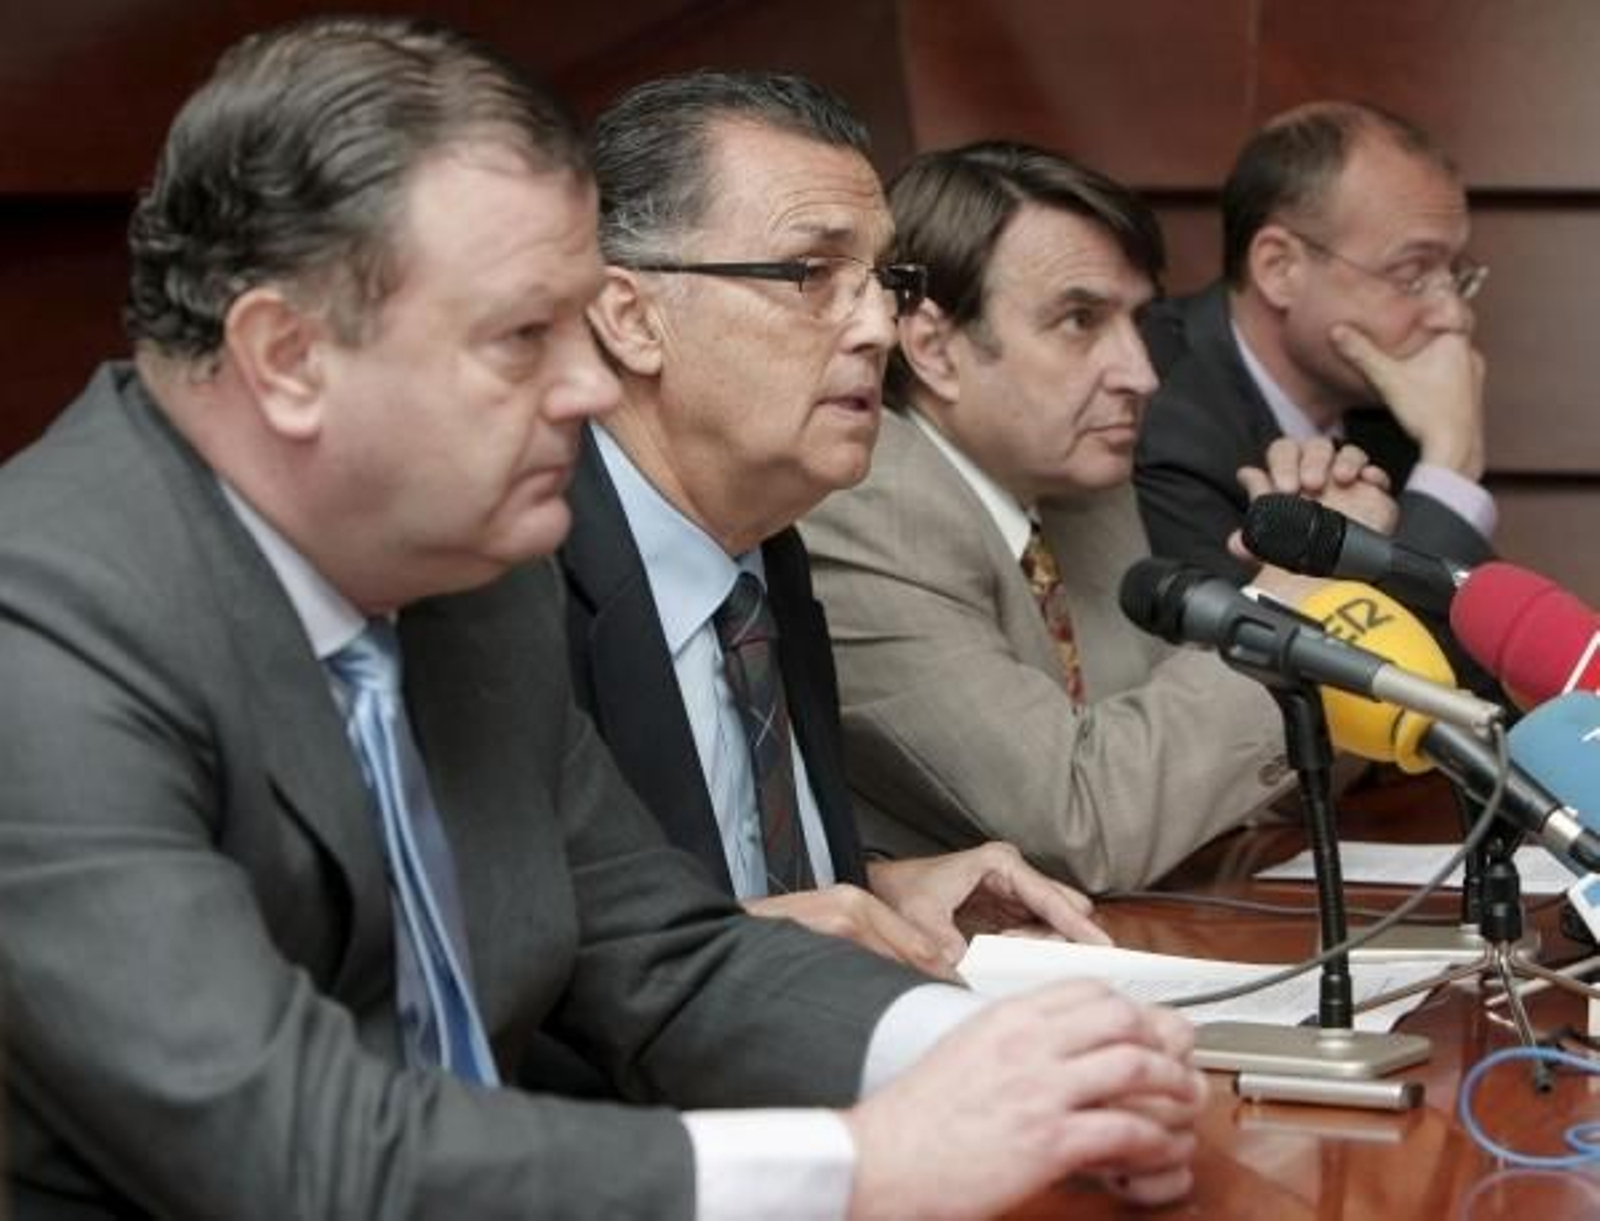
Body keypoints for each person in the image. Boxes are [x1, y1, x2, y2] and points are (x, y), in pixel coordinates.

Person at [0, 18, 1205, 1217]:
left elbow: (665, 961)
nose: (586, 388)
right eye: (526, 337)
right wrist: (866, 1164)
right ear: (287, 357)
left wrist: (1004, 1058)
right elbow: (292, 1147)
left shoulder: (475, 579)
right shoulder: (41, 624)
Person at [561, 71, 1109, 981]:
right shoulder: (506, 583)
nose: (879, 329)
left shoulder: (767, 551)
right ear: (632, 317)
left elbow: (729, 879)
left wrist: (873, 886)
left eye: (884, 280)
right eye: (813, 274)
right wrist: (748, 945)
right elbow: (501, 963)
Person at [800, 141, 1396, 891]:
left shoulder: (1084, 490)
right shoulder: (870, 510)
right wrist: (1285, 608)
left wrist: (1325, 595)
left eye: (1136, 323)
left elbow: (1190, 788)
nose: (1141, 374)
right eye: (1079, 320)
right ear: (933, 347)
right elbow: (1087, 822)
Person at [1135, 100, 1494, 583]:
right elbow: (1347, 650)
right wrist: (1452, 461)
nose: (1454, 316)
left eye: (1453, 272)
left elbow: (1472, 650)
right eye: (1411, 273)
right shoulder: (1155, 409)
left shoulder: (1397, 412)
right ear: (1279, 269)